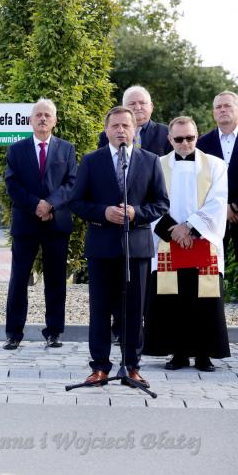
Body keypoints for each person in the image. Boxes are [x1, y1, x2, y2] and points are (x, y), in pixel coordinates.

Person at [69, 106, 169, 388]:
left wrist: (136, 213)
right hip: (102, 247)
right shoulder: (91, 161)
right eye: (115, 125)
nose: (121, 130)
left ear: (135, 129)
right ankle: (100, 367)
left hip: (136, 248)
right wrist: (103, 212)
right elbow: (76, 202)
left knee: (134, 311)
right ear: (106, 130)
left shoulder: (150, 161)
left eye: (126, 125)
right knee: (100, 310)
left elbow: (161, 203)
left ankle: (132, 366)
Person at [144, 116, 231, 372]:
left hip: (203, 240)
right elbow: (151, 201)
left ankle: (204, 355)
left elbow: (218, 201)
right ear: (169, 139)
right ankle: (178, 354)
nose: (185, 143)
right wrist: (175, 231)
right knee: (174, 300)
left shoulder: (215, 165)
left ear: (197, 136)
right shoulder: (157, 165)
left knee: (204, 300)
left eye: (190, 138)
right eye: (179, 139)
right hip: (168, 241)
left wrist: (190, 227)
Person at [98, 85, 171, 343]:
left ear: (151, 106)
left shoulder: (166, 134)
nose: (138, 107)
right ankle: (121, 329)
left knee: (149, 281)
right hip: (117, 221)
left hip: (155, 218)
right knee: (122, 281)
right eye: (132, 103)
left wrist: (139, 211)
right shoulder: (106, 137)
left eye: (142, 103)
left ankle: (147, 331)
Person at [2, 99, 77, 350]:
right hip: (26, 222)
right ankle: (14, 333)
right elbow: (12, 184)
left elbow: (71, 183)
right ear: (30, 120)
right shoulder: (16, 150)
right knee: (19, 279)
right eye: (38, 115)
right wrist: (36, 205)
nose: (43, 118)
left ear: (55, 121)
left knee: (56, 279)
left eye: (47, 115)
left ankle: (54, 332)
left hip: (56, 223)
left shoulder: (66, 149)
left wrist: (50, 205)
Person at [196, 91, 238, 284]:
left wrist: (234, 207)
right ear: (213, 113)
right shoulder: (202, 144)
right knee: (209, 271)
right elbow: (199, 182)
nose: (222, 110)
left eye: (227, 105)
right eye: (218, 107)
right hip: (212, 217)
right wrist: (221, 208)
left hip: (236, 211)